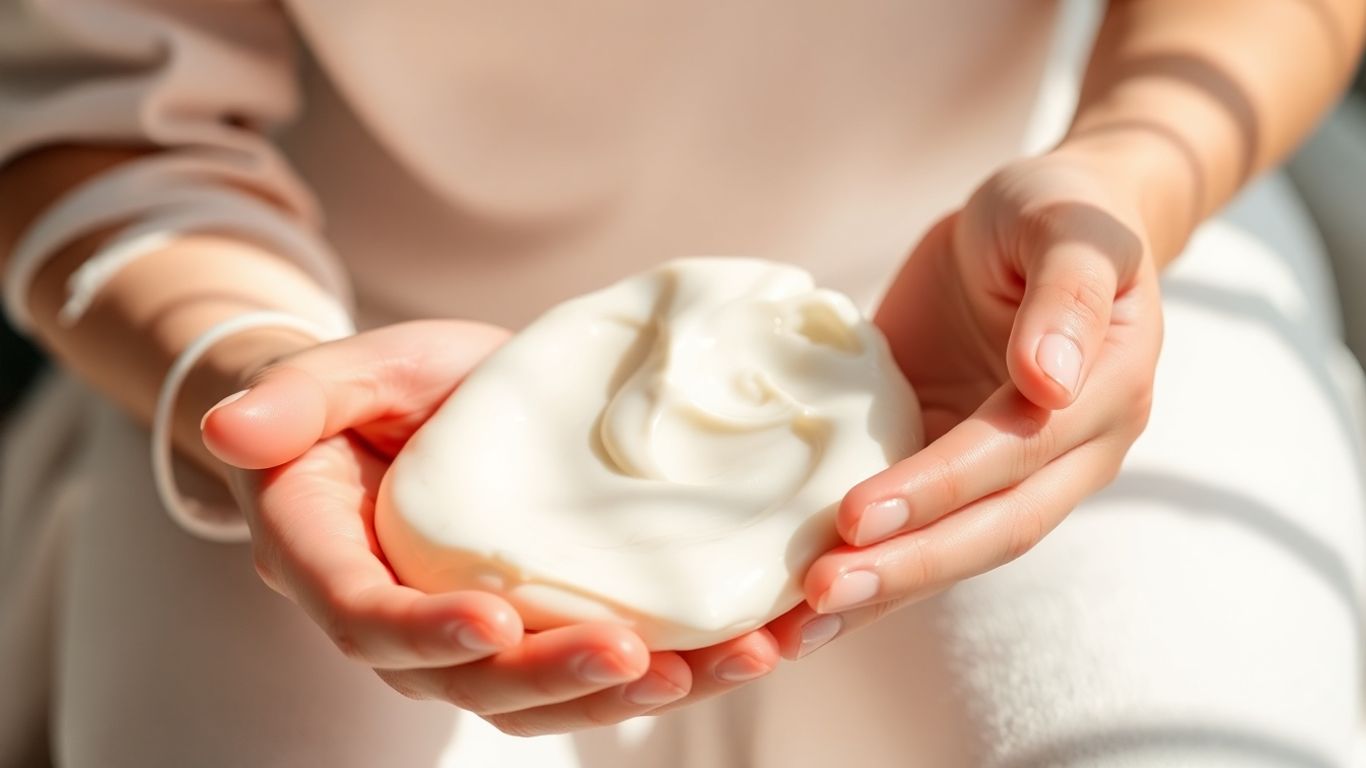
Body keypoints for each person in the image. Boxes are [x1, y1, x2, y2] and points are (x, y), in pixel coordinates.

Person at [1, 1, 1363, 765]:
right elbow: (89, 117)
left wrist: (1131, 169)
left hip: (1004, 300)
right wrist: (254, 371)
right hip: (344, 353)